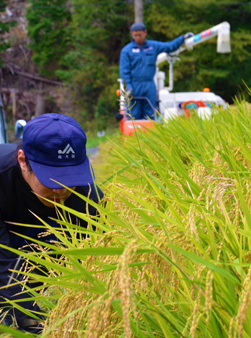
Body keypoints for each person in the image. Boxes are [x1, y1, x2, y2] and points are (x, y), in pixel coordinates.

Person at [0, 113, 103, 333]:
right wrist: (28, 319)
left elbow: (96, 261)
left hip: (43, 243)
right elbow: (4, 263)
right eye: (51, 179)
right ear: (22, 161)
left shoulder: (87, 195)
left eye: (68, 177)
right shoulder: (2, 178)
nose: (61, 190)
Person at [119, 22, 193, 120]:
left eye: (139, 35)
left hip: (149, 85)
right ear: (131, 34)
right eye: (135, 35)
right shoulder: (127, 51)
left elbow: (169, 46)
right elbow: (124, 71)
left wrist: (182, 39)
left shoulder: (153, 46)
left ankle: (151, 133)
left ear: (145, 33)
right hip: (134, 86)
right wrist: (128, 87)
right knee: (133, 115)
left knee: (151, 114)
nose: (137, 37)